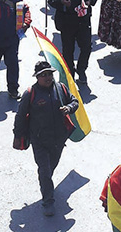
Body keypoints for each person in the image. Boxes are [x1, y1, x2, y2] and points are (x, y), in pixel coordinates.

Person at [14, 60, 80, 217]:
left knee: (50, 168)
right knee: (44, 170)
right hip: (39, 140)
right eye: (43, 75)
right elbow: (20, 116)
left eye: (49, 74)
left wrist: (69, 108)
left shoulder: (61, 88)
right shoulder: (30, 93)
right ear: (37, 77)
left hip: (58, 139)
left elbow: (75, 101)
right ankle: (48, 201)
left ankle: (46, 186)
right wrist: (18, 136)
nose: (47, 77)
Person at [49, 0, 100, 84]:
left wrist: (89, 2)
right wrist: (61, 2)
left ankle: (81, 69)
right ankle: (69, 72)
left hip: (83, 19)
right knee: (68, 49)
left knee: (86, 47)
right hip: (66, 19)